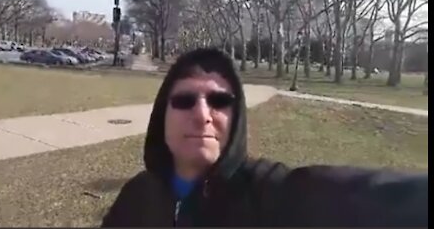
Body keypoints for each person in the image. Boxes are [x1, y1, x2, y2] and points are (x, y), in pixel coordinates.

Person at [101, 48, 428, 227]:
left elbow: (361, 196)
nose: (202, 114)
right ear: (162, 117)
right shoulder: (137, 194)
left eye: (219, 101)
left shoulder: (269, 192)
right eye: (185, 100)